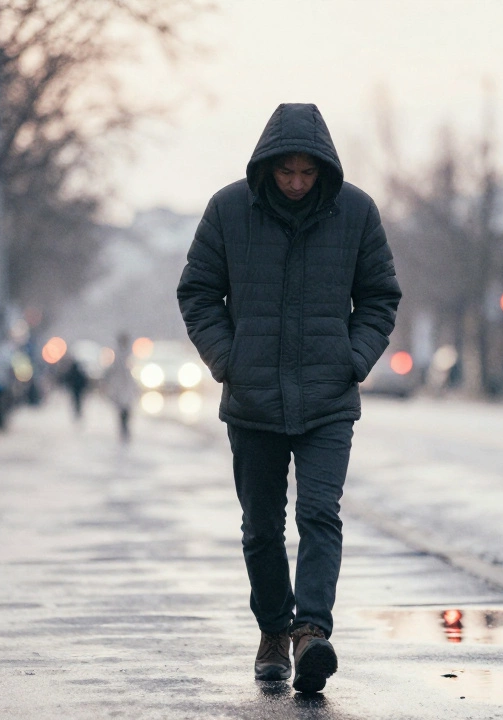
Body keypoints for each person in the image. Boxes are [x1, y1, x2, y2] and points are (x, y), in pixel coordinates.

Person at [177, 103, 400, 693]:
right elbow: (198, 291)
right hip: (252, 400)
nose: (297, 184)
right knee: (260, 527)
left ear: (323, 168)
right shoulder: (228, 210)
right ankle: (274, 631)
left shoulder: (356, 212)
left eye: (307, 173)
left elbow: (380, 296)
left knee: (320, 514)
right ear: (269, 167)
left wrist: (352, 360)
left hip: (328, 398)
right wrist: (229, 361)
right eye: (287, 173)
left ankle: (311, 633)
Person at [101, 334, 140, 442]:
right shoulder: (116, 355)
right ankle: (124, 430)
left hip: (126, 386)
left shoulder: (130, 354)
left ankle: (125, 430)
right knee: (122, 411)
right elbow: (112, 372)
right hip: (119, 386)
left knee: (126, 410)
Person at [59, 358, 89, 423]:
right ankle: (78, 413)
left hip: (75, 390)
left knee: (75, 402)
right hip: (79, 390)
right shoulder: (80, 372)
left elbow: (67, 379)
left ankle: (77, 413)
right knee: (78, 402)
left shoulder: (72, 372)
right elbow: (84, 381)